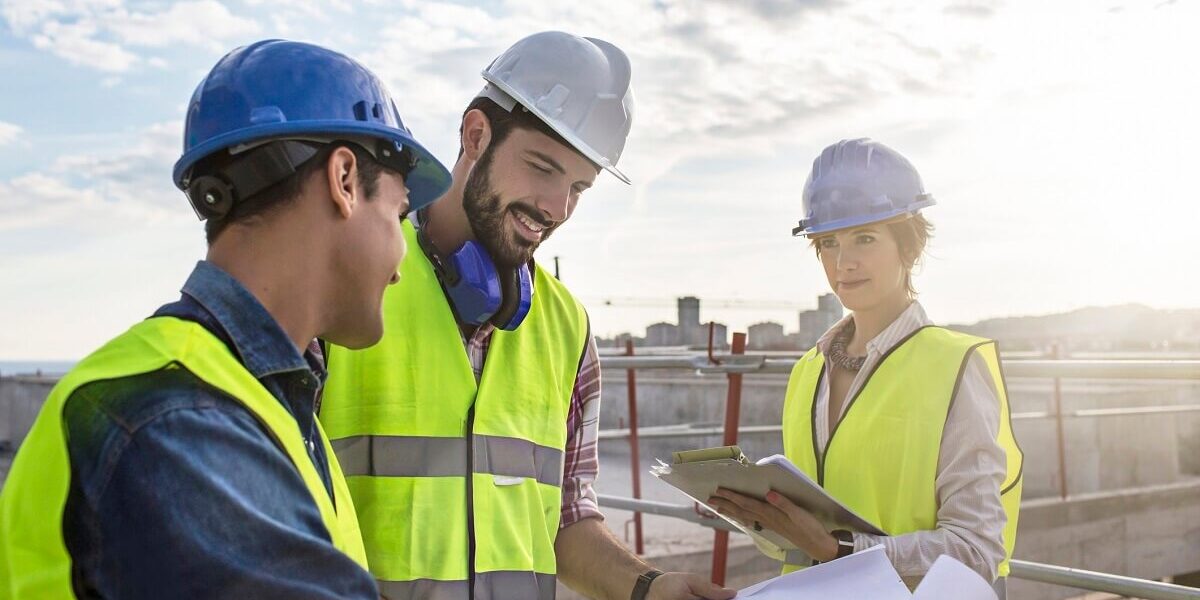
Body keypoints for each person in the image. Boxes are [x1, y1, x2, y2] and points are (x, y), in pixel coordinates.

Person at [0, 39, 451, 599]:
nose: (402, 261)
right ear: (343, 180)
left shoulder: (263, 401)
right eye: (399, 214)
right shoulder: (174, 419)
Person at [320, 31, 734, 600]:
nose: (556, 207)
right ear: (474, 135)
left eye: (579, 188)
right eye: (542, 167)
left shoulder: (567, 329)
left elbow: (565, 518)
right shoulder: (347, 285)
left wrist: (648, 586)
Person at [706, 138, 1023, 596]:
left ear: (908, 247)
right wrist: (764, 519)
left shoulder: (956, 366)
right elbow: (799, 546)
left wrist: (842, 549)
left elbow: (977, 550)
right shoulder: (807, 372)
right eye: (829, 242)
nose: (844, 262)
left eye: (865, 238)